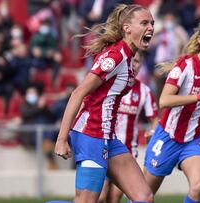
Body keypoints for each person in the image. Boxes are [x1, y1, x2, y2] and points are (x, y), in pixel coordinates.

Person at [54, 4, 155, 203]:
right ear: (127, 28)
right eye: (144, 23)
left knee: (144, 197)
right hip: (91, 135)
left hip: (109, 137)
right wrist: (61, 138)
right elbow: (78, 93)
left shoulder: (128, 57)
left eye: (152, 23)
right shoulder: (115, 56)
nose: (151, 27)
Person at [143, 19, 200, 203]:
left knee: (198, 187)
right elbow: (164, 101)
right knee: (144, 196)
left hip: (194, 139)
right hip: (167, 137)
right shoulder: (184, 65)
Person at [98, 52, 159, 203]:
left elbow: (154, 119)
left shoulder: (144, 91)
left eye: (138, 62)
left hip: (127, 151)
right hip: (104, 147)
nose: (134, 65)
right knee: (99, 197)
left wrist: (153, 131)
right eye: (132, 61)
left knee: (114, 197)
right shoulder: (110, 85)